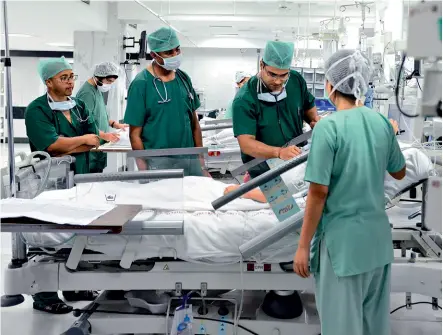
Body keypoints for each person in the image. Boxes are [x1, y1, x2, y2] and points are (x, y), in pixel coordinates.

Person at [292, 50, 406, 335]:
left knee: (343, 327)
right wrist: (388, 139)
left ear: (330, 86)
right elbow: (400, 172)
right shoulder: (381, 123)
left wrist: (303, 246)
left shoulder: (328, 128)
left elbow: (318, 194)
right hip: (377, 244)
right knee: (373, 326)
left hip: (344, 248)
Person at [25, 57, 101, 314]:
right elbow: (51, 146)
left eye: (72, 77)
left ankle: (74, 286)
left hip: (81, 179)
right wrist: (80, 142)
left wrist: (73, 145)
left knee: (77, 233)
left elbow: (94, 140)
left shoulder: (78, 106)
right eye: (64, 78)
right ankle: (44, 295)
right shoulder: (36, 110)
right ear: (49, 82)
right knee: (48, 238)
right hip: (50, 182)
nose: (70, 83)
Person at [124, 27, 207, 177]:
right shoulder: (141, 84)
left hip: (189, 158)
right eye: (168, 52)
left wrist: (201, 161)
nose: (175, 55)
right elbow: (134, 135)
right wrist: (144, 172)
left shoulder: (183, 78)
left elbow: (194, 123)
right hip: (157, 162)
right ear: (154, 55)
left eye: (177, 50)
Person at [233, 40, 321, 179]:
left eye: (283, 75)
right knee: (270, 199)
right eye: (272, 74)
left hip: (296, 160)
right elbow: (247, 144)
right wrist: (279, 152)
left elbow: (308, 107)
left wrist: (314, 121)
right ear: (261, 65)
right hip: (263, 168)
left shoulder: (295, 81)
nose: (278, 81)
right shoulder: (245, 98)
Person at [76, 61, 128, 173]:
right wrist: (105, 135)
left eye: (112, 82)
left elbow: (100, 115)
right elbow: (84, 124)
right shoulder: (87, 94)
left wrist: (115, 124)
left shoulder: (97, 90)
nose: (109, 85)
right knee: (89, 183)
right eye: (108, 81)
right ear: (99, 76)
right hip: (89, 150)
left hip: (98, 146)